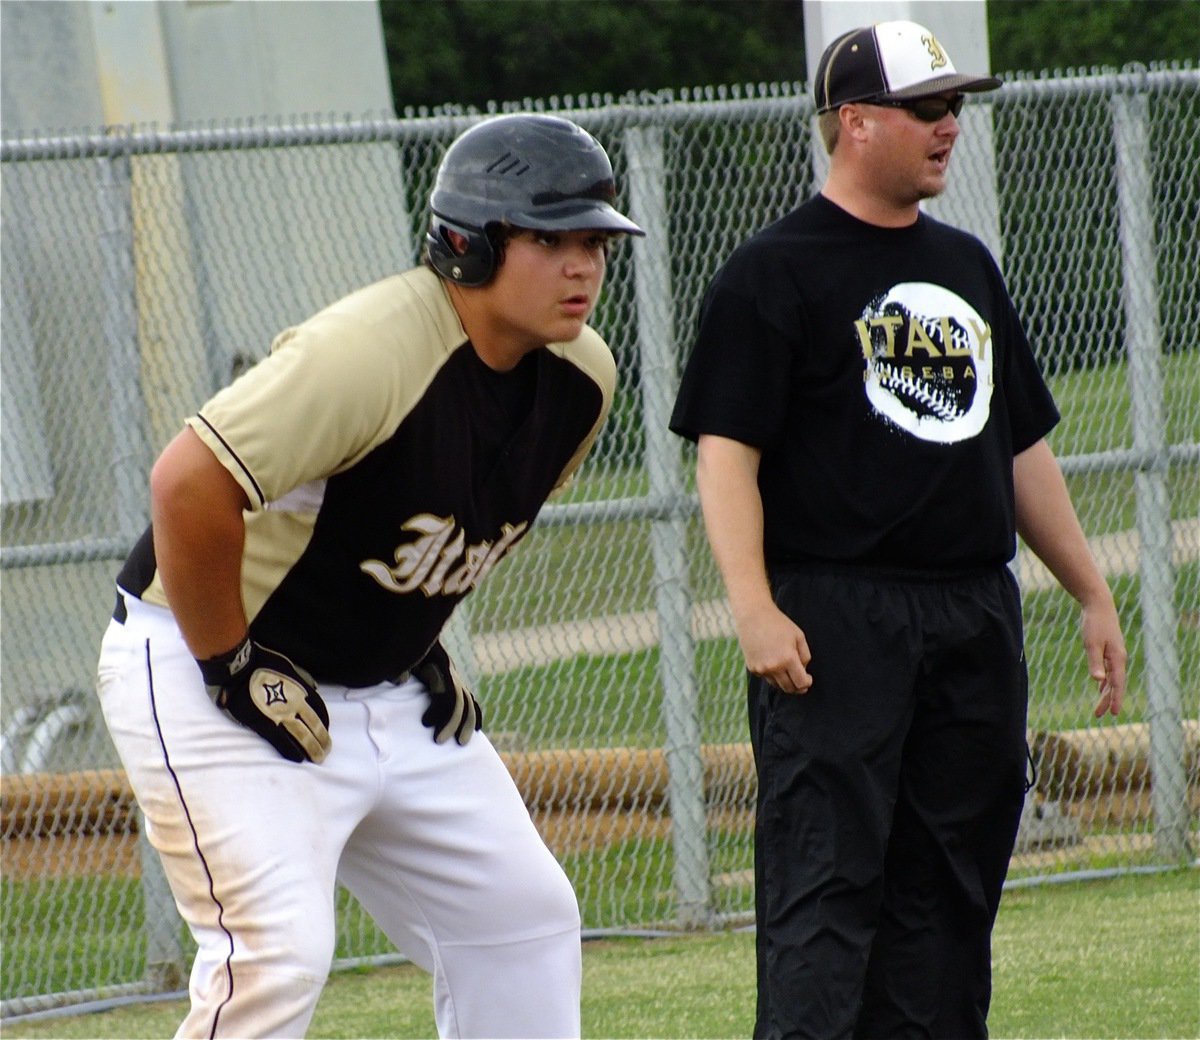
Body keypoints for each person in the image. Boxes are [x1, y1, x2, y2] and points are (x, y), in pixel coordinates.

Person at [96, 112, 643, 1039]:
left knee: (521, 920)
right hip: (197, 655)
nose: (583, 263)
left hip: (379, 687)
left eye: (594, 238)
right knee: (277, 950)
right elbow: (186, 485)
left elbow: (434, 525)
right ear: (468, 245)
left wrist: (411, 640)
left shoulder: (582, 379)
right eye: (551, 238)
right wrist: (230, 662)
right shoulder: (369, 350)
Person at [669, 20, 1127, 1040]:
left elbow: (1017, 448)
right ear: (855, 121)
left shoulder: (965, 265)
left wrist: (1090, 589)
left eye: (954, 106)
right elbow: (725, 456)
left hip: (970, 610)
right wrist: (752, 606)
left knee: (952, 889)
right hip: (837, 616)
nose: (949, 125)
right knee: (827, 886)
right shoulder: (771, 273)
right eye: (927, 108)